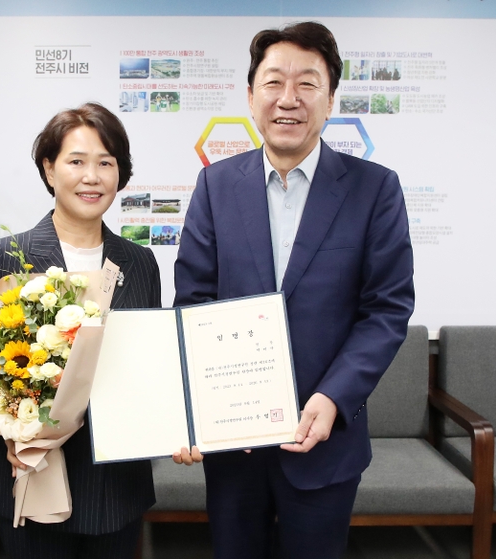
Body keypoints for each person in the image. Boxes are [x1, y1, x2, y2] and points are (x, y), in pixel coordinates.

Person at [173, 21, 414, 559]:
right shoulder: (215, 185)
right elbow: (193, 304)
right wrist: (200, 409)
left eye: (307, 83)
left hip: (325, 440)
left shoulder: (375, 189)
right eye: (274, 82)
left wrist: (333, 397)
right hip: (233, 442)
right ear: (250, 97)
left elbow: (386, 309)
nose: (289, 99)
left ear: (331, 100)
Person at [0, 103, 161, 559]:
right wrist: (11, 428)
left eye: (106, 163)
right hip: (30, 472)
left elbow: (150, 358)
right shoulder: (10, 256)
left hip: (115, 483)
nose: (92, 177)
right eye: (76, 161)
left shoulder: (140, 262)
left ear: (120, 175)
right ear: (49, 170)